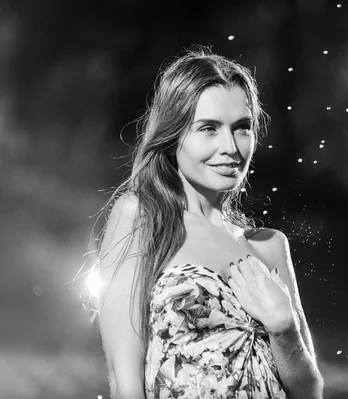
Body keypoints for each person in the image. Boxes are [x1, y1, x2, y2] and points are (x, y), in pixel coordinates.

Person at [91, 46, 324, 399]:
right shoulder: (141, 218)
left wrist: (284, 330)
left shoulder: (269, 245)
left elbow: (309, 391)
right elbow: (124, 382)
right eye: (209, 128)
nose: (231, 146)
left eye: (242, 128)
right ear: (173, 137)